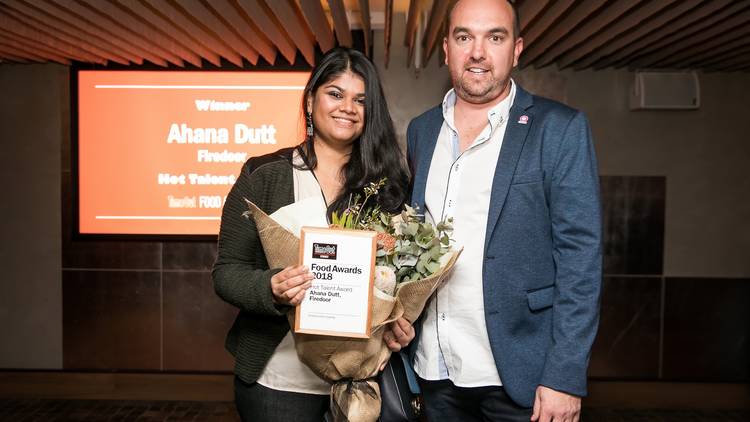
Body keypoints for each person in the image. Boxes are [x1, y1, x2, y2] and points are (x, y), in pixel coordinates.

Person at [406, 0, 602, 421]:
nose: (477, 52)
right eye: (464, 37)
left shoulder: (559, 128)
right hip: (435, 371)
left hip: (522, 378)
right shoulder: (421, 131)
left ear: (516, 49)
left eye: (494, 37)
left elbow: (580, 260)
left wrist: (565, 375)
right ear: (446, 49)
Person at [213, 47, 414, 422]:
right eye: (335, 94)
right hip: (280, 383)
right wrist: (272, 287)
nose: (347, 108)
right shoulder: (263, 175)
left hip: (364, 383)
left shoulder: (388, 185)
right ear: (310, 101)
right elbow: (226, 273)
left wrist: (400, 321)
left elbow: (404, 278)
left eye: (361, 100)